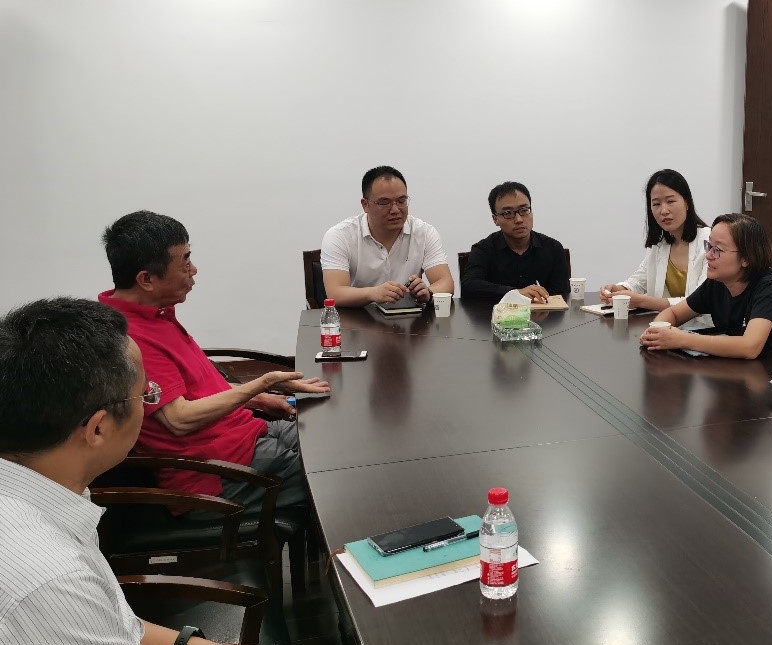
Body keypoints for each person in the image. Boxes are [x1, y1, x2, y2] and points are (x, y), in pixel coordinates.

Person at [0, 297, 379, 645]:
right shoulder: (46, 577)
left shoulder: (38, 498)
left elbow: (108, 626)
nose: (152, 408)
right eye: (144, 397)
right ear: (97, 429)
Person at [101, 211, 328, 513]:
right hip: (218, 472)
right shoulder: (130, 338)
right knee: (341, 476)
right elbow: (178, 419)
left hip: (245, 435)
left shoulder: (157, 313)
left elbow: (197, 390)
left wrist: (259, 398)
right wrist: (263, 383)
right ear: (147, 279)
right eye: (185, 261)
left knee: (334, 437)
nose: (194, 269)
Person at [640, 213, 772, 363]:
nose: (708, 255)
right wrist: (657, 331)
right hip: (743, 371)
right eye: (709, 246)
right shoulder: (717, 282)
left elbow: (749, 347)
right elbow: (674, 313)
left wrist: (681, 339)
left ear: (746, 258)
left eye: (717, 250)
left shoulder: (769, 287)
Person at [321, 165, 454, 308]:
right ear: (365, 205)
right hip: (358, 318)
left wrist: (428, 292)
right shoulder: (340, 236)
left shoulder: (424, 232)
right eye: (384, 202)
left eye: (401, 201)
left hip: (410, 318)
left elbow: (446, 283)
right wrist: (373, 293)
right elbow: (335, 293)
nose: (395, 210)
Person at [599, 169, 709, 314]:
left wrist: (641, 301)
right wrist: (618, 289)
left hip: (706, 325)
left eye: (670, 201)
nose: (664, 211)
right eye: (656, 204)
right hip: (666, 324)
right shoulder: (660, 245)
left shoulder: (710, 241)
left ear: (687, 202)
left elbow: (701, 300)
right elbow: (639, 281)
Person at [461, 181, 570, 303]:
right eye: (508, 213)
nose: (519, 219)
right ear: (495, 219)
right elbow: (469, 286)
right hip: (497, 315)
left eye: (524, 210)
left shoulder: (553, 248)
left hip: (543, 314)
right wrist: (515, 293)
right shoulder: (483, 249)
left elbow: (562, 295)